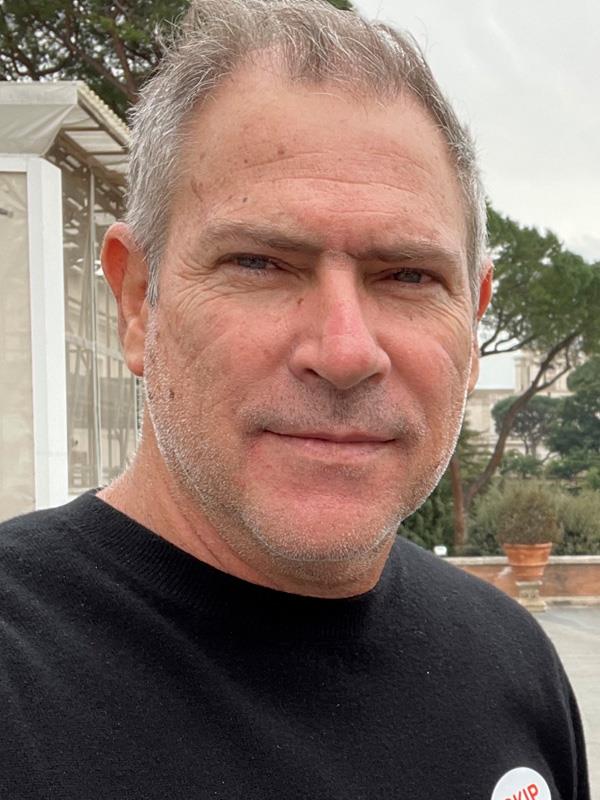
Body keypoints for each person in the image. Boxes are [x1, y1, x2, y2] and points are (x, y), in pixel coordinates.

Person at [0, 0, 590, 797]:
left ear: (475, 317)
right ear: (139, 300)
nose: (344, 352)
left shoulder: (511, 663)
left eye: (408, 275)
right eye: (260, 263)